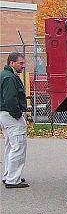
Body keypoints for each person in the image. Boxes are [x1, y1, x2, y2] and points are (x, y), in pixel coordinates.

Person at [1, 52, 29, 188]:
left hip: (5, 115)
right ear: (12, 63)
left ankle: (8, 175)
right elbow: (10, 99)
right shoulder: (10, 78)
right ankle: (13, 179)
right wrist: (18, 114)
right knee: (18, 146)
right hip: (10, 115)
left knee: (10, 146)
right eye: (21, 63)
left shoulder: (5, 75)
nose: (23, 66)